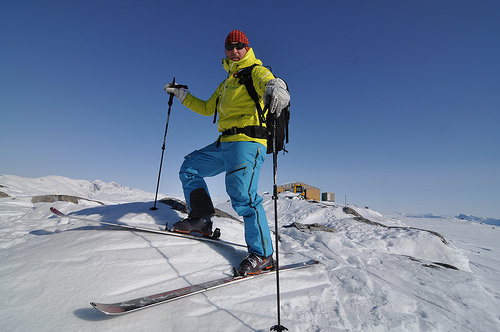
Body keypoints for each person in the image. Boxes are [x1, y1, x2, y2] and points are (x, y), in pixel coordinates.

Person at [164, 30, 290, 275]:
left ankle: (263, 254)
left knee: (242, 195)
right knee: (190, 167)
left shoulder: (255, 70)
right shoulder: (226, 83)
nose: (234, 50)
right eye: (229, 47)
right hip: (225, 142)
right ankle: (201, 220)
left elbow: (270, 80)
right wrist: (183, 96)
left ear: (247, 48)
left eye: (239, 46)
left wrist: (278, 85)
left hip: (249, 142)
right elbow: (206, 108)